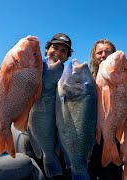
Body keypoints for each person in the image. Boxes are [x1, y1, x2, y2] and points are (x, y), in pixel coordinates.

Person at [30, 32, 73, 180]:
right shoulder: (35, 66)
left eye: (64, 51)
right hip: (36, 127)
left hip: (59, 132)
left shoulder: (68, 75)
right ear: (47, 49)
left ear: (67, 56)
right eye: (55, 47)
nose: (58, 53)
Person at [87, 38, 123, 180]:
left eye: (107, 52)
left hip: (113, 137)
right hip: (89, 140)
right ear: (93, 56)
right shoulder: (85, 78)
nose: (103, 55)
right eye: (99, 52)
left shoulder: (120, 78)